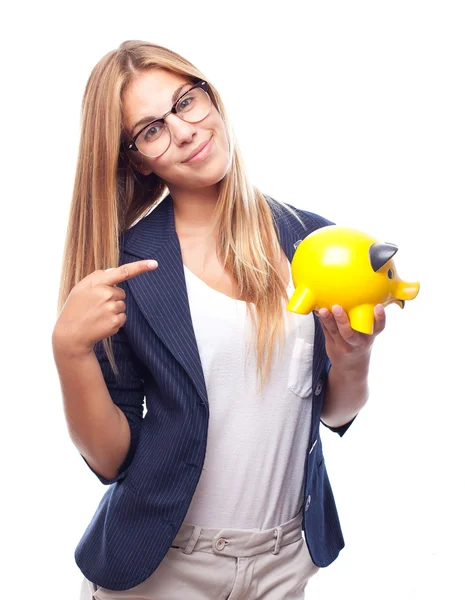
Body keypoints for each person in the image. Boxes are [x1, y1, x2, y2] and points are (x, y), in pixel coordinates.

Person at [52, 40, 386, 599]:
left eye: (185, 102)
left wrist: (355, 357)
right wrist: (69, 352)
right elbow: (113, 460)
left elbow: (334, 410)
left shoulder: (313, 243)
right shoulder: (131, 270)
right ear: (137, 158)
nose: (183, 130)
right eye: (152, 129)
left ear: (210, 96)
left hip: (283, 564)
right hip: (165, 568)